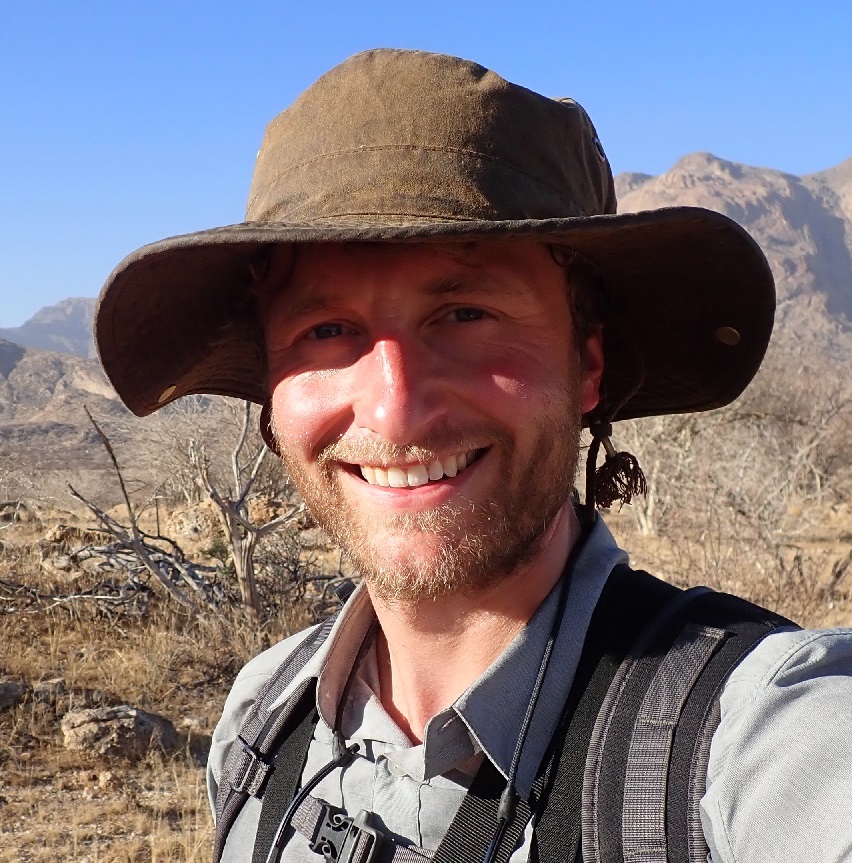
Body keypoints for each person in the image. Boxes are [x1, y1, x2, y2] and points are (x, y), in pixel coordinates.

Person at [94, 49, 852, 863]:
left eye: (464, 312)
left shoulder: (754, 737)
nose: (396, 405)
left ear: (586, 362)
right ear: (274, 392)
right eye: (325, 330)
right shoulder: (262, 725)